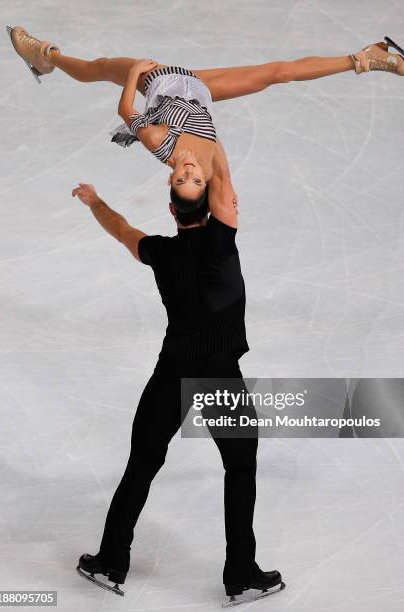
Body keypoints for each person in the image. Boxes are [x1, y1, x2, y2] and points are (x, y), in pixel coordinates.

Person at [71, 141, 285, 606]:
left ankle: (110, 562)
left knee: (142, 464)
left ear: (170, 210)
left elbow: (121, 229)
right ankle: (241, 575)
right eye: (188, 177)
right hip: (219, 374)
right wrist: (199, 136)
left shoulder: (161, 253)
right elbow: (221, 170)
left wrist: (94, 201)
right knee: (240, 469)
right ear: (218, 204)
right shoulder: (222, 236)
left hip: (172, 372)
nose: (188, 171)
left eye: (187, 176)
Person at [8, 26, 404, 209]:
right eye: (196, 180)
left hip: (158, 80)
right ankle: (364, 59)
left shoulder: (159, 143)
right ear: (203, 181)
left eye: (181, 179)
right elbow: (217, 160)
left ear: (171, 179)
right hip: (198, 90)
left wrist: (135, 74)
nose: (189, 172)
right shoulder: (208, 166)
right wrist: (229, 184)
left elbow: (126, 110)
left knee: (99, 67)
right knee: (276, 74)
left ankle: (46, 56)